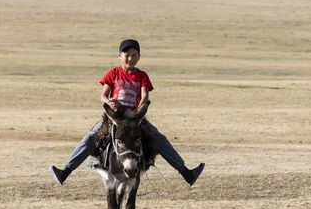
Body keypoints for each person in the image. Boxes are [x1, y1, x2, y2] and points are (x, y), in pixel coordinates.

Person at [48, 38, 205, 186]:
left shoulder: (142, 75)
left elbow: (145, 95)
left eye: (134, 55)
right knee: (90, 138)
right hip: (114, 117)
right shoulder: (113, 73)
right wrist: (108, 101)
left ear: (139, 57)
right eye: (127, 55)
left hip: (135, 117)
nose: (130, 58)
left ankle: (187, 174)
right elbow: (103, 95)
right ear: (119, 56)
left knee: (159, 139)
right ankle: (65, 172)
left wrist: (139, 110)